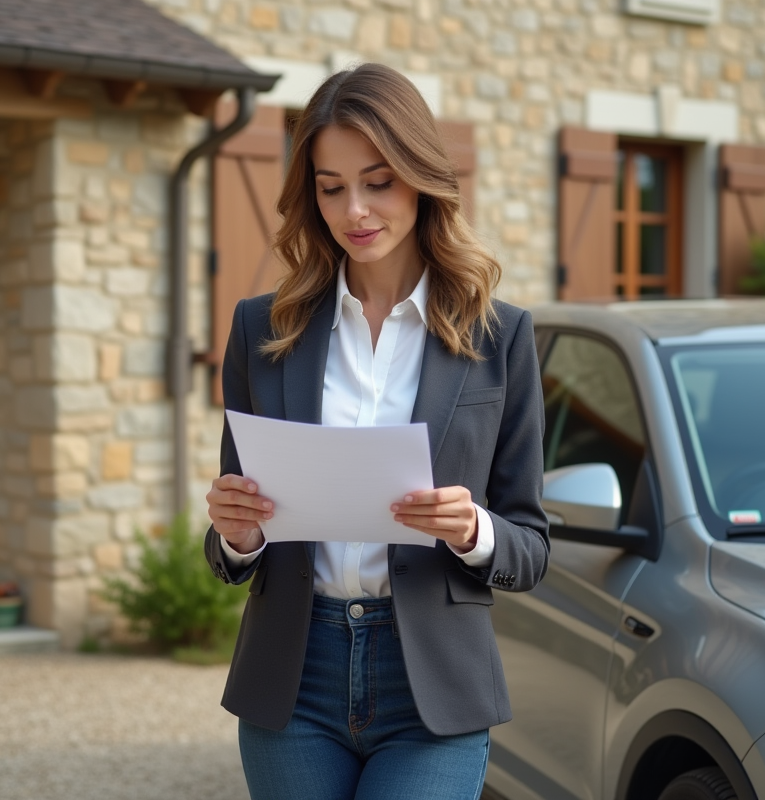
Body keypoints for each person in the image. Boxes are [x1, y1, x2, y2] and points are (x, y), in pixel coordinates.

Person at [204, 62, 549, 800]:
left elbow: (531, 545)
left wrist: (470, 530)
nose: (354, 209)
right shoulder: (260, 330)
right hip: (294, 678)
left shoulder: (501, 337)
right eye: (331, 187)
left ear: (422, 177)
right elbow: (237, 538)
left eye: (378, 181)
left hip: (432, 684)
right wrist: (237, 533)